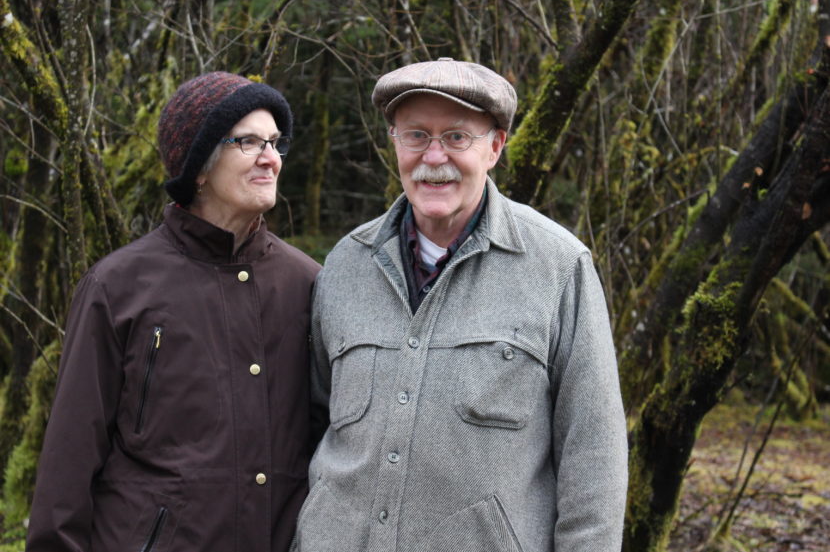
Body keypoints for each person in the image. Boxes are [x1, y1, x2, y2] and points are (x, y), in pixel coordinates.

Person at [294, 58, 628, 552]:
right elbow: (311, 421)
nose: (434, 157)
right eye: (416, 136)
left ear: (495, 146)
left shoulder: (557, 266)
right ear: (394, 142)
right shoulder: (345, 265)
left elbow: (594, 453)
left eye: (456, 137)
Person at [26, 71, 320, 552]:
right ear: (198, 167)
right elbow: (69, 462)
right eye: (247, 142)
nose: (271, 158)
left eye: (275, 142)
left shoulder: (308, 284)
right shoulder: (118, 287)